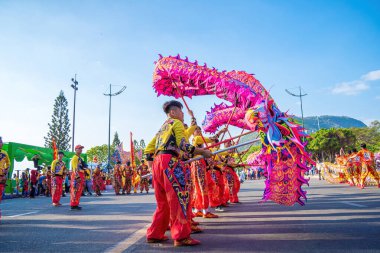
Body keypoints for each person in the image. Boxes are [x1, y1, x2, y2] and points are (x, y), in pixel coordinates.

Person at [144, 100, 212, 247]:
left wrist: (152, 165)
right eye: (181, 112)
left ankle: (155, 234)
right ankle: (181, 236)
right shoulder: (176, 123)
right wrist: (203, 152)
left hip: (158, 163)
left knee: (163, 203)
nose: (183, 115)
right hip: (171, 162)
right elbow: (184, 145)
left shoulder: (162, 128)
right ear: (173, 112)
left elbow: (148, 150)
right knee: (180, 199)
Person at [70, 145, 86, 210]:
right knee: (75, 190)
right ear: (76, 150)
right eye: (79, 148)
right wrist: (77, 177)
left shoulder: (80, 158)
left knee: (79, 191)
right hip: (77, 175)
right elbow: (74, 168)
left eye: (81, 149)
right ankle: (73, 205)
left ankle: (76, 204)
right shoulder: (75, 158)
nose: (81, 150)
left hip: (81, 174)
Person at [0, 137, 10, 205]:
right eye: (0, 142)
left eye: (1, 142)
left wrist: (6, 171)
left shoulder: (4, 153)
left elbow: (8, 163)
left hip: (1, 177)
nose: (1, 143)